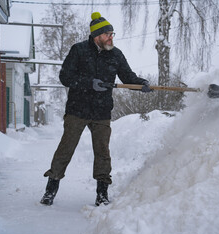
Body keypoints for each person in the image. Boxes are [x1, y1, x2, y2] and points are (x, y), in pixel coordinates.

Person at [40, 12, 152, 206]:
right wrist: (89, 83)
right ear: (96, 36)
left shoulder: (115, 54)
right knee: (66, 149)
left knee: (102, 152)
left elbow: (128, 77)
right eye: (108, 34)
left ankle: (102, 193)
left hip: (101, 111)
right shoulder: (79, 50)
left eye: (112, 34)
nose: (111, 37)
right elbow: (65, 77)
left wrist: (141, 84)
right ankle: (50, 189)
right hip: (77, 109)